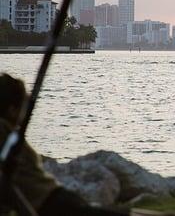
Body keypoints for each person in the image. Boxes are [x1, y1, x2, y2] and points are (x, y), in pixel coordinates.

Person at [0, 72, 129, 216]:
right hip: (50, 203)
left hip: (55, 199)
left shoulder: (9, 134)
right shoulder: (3, 130)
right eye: (23, 106)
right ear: (12, 110)